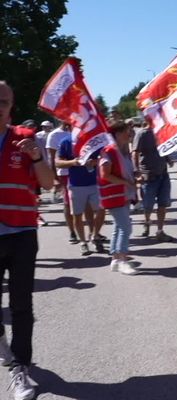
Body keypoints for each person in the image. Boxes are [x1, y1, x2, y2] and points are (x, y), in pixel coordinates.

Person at [0, 81, 54, 400]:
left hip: (21, 233)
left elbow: (47, 183)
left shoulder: (26, 138)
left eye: (3, 101)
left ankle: (20, 369)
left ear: (12, 104)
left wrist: (36, 158)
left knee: (22, 305)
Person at [99, 121, 140, 275]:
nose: (129, 134)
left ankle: (116, 259)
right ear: (117, 134)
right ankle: (122, 260)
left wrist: (134, 176)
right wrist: (126, 182)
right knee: (125, 227)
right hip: (113, 194)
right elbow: (105, 174)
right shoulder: (109, 151)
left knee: (119, 226)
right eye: (126, 131)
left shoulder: (122, 151)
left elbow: (124, 171)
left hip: (123, 194)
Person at [55, 136, 105, 255]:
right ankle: (83, 242)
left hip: (95, 183)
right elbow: (58, 162)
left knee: (101, 210)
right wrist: (73, 162)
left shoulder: (95, 139)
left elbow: (106, 157)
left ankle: (95, 235)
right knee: (77, 215)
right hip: (75, 184)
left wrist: (95, 162)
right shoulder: (66, 141)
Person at [132, 122, 174, 241]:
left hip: (163, 174)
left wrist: (168, 159)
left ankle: (160, 231)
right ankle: (147, 221)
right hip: (149, 176)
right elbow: (135, 153)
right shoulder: (142, 134)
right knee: (148, 206)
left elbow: (162, 148)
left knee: (163, 204)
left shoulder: (161, 131)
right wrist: (136, 171)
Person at [46, 121, 77, 242]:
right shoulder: (54, 135)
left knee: (86, 203)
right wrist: (54, 178)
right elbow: (52, 158)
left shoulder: (79, 131)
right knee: (68, 203)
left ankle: (91, 233)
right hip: (64, 174)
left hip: (82, 172)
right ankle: (72, 232)